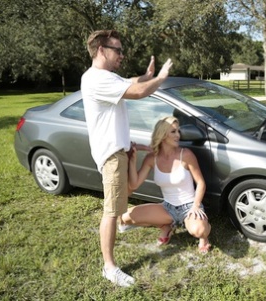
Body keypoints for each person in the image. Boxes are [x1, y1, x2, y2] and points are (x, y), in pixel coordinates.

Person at [81, 29, 173, 287]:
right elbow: (138, 92)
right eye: (117, 50)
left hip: (118, 149)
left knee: (123, 196)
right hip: (110, 155)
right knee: (110, 211)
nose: (122, 55)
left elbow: (131, 82)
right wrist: (161, 77)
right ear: (101, 50)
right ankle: (109, 267)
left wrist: (147, 76)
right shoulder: (96, 79)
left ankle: (123, 223)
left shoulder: (106, 77)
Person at [119, 116, 211, 254]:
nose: (178, 135)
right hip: (168, 208)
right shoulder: (152, 158)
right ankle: (166, 226)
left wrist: (196, 205)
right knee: (126, 218)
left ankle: (204, 238)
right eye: (173, 132)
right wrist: (132, 161)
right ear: (162, 135)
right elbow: (134, 184)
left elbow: (201, 182)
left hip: (190, 206)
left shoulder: (185, 154)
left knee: (199, 230)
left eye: (178, 131)